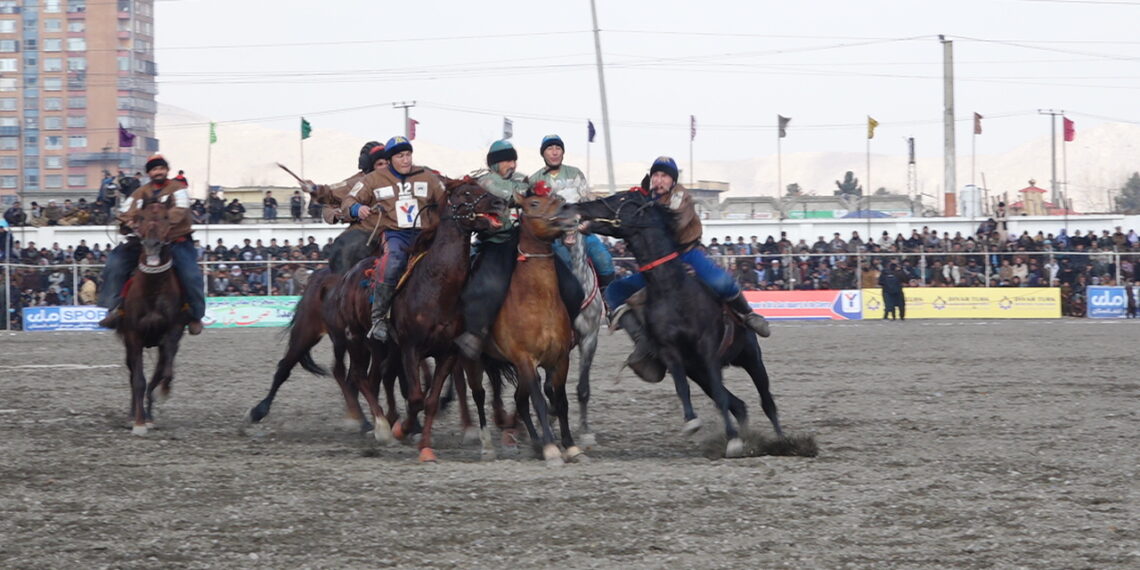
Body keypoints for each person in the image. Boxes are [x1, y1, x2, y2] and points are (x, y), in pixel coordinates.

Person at [603, 157, 770, 375]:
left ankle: (747, 313)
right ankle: (642, 341)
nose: (658, 180)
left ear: (672, 181)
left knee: (721, 281)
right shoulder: (643, 199)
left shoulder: (680, 197)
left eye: (664, 176)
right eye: (655, 175)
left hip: (685, 254)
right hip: (658, 265)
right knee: (615, 290)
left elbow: (671, 226)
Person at [454, 140, 585, 359]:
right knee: (491, 285)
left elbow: (541, 199)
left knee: (572, 286)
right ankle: (474, 333)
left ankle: (569, 329)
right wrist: (533, 193)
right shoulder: (486, 181)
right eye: (506, 160)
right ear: (495, 164)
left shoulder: (521, 180)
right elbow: (507, 193)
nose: (511, 164)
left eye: (513, 160)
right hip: (497, 243)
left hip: (527, 241)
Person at [340, 136, 446, 341]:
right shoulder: (373, 179)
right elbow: (348, 200)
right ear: (390, 159)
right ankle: (379, 317)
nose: (406, 160)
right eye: (400, 156)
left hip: (426, 234)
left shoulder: (427, 176)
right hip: (396, 235)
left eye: (408, 155)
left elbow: (445, 201)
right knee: (393, 261)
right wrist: (356, 208)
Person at [97, 154, 206, 334]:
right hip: (143, 242)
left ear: (167, 170)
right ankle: (115, 308)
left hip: (175, 241)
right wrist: (131, 222)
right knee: (115, 263)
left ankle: (195, 315)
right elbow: (125, 211)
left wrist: (155, 223)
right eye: (155, 169)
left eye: (161, 168)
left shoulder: (178, 189)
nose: (159, 172)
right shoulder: (139, 193)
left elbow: (179, 211)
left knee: (191, 274)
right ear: (149, 173)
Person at [528, 134, 616, 290]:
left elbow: (587, 201)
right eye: (550, 148)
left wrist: (589, 221)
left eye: (558, 148)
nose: (554, 152)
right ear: (543, 153)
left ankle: (605, 298)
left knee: (604, 260)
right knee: (566, 265)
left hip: (581, 230)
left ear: (562, 152)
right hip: (554, 235)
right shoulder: (535, 180)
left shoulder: (575, 173)